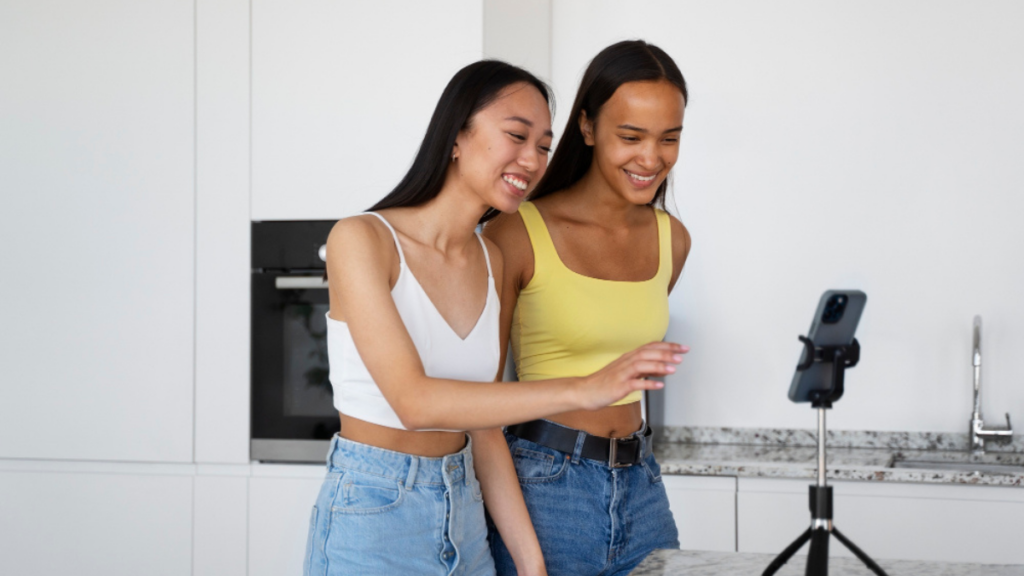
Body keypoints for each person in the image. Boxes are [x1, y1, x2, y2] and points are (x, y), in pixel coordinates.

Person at [304, 59, 685, 576]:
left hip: (464, 514)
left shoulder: (489, 259)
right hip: (376, 510)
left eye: (543, 146)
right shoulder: (360, 239)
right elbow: (414, 402)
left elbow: (482, 428)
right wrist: (584, 388)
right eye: (516, 136)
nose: (531, 160)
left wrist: (531, 564)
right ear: (457, 135)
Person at [484, 41, 692, 576]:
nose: (652, 158)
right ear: (588, 127)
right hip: (546, 489)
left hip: (642, 487)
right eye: (631, 136)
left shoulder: (673, 239)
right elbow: (480, 403)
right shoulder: (517, 232)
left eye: (669, 139)